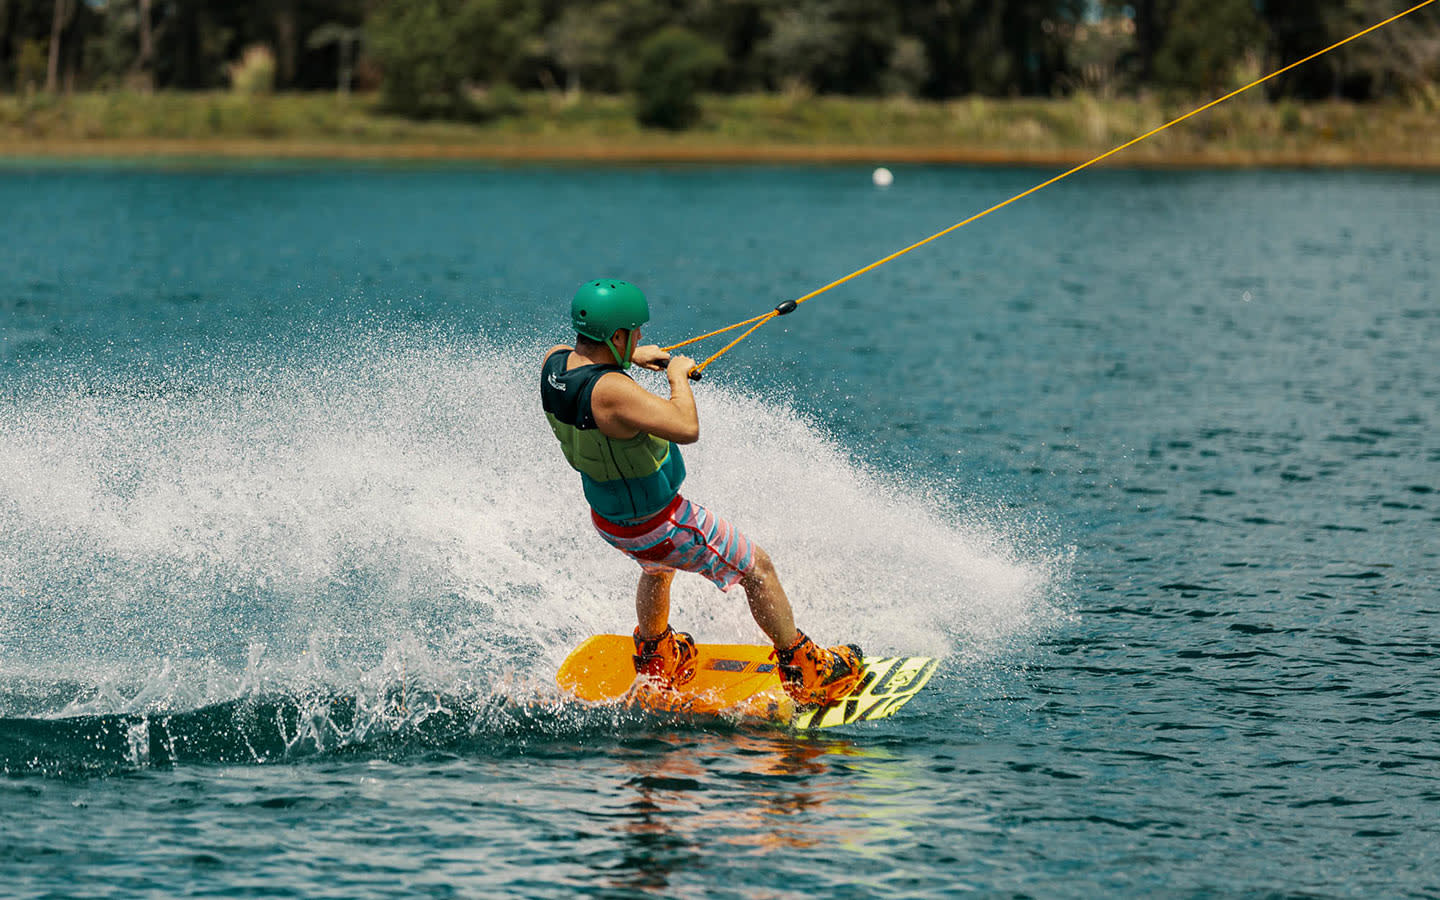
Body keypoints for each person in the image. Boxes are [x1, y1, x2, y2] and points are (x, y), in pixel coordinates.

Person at [540, 278, 863, 707]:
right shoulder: (613, 392)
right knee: (757, 568)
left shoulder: (553, 364)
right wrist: (677, 377)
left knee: (657, 568)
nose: (638, 337)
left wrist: (634, 357)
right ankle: (805, 670)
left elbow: (590, 364)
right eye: (634, 333)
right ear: (615, 335)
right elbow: (685, 427)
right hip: (661, 523)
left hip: (611, 522)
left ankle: (657, 656)